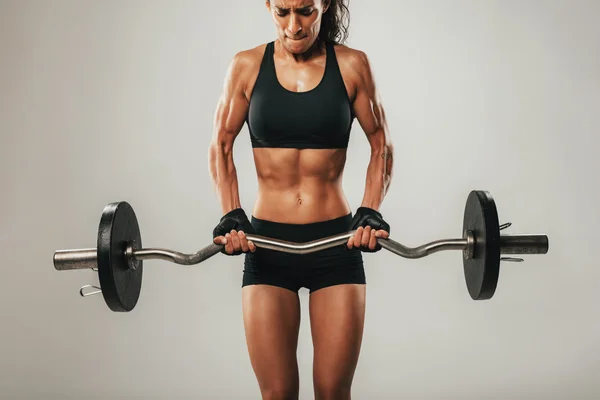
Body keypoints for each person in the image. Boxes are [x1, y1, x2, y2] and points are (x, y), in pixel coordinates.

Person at [208, 1, 393, 398]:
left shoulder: (352, 65)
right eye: (283, 12)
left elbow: (381, 144)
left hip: (335, 246)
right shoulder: (246, 66)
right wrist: (232, 216)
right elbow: (221, 145)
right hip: (268, 247)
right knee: (277, 395)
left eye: (306, 10)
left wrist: (370, 211)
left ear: (324, 4)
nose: (294, 25)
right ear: (269, 6)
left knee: (332, 393)